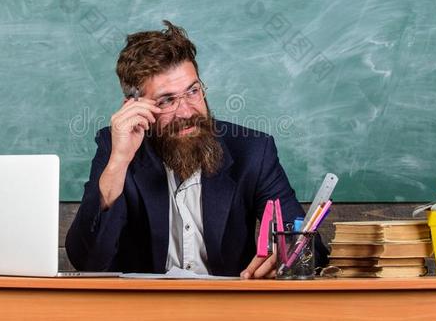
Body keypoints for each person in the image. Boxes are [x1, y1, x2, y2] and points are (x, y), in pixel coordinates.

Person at [65, 20, 328, 278]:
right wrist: (118, 163)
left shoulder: (253, 151)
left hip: (229, 312)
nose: (187, 111)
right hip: (144, 312)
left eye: (192, 91)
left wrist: (289, 254)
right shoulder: (116, 147)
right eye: (167, 100)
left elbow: (313, 249)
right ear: (134, 108)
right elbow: (87, 261)